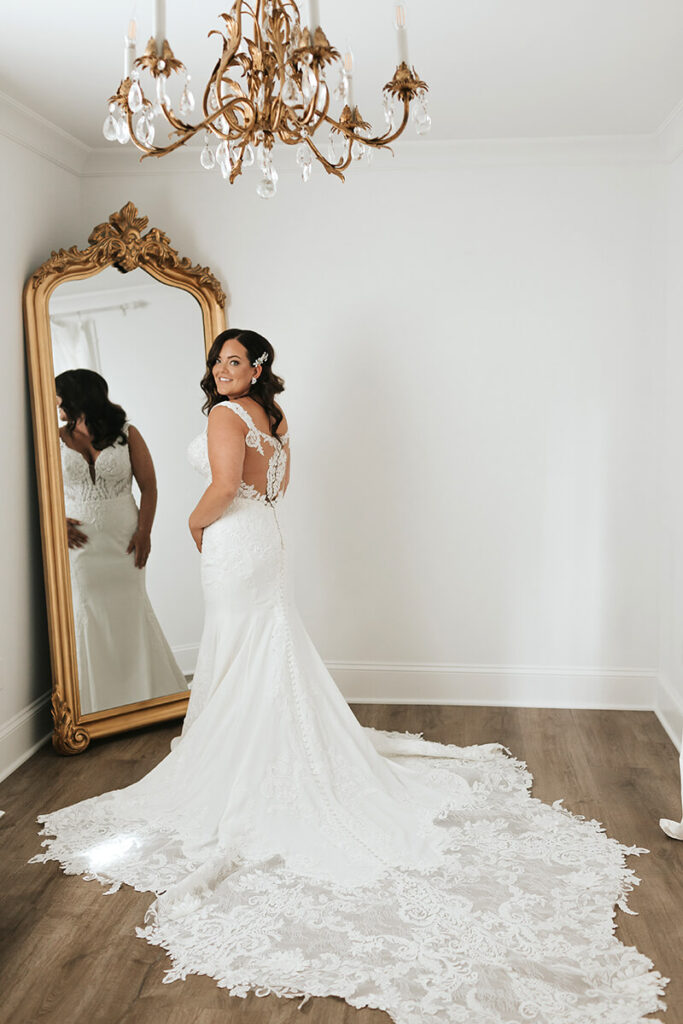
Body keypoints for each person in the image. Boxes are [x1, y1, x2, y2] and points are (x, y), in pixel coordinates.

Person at [32, 333, 667, 1023]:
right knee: (263, 646)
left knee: (241, 649)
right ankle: (271, 740)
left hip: (235, 541)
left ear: (258, 367)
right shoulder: (272, 419)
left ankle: (248, 752)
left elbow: (220, 488)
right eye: (218, 360)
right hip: (267, 539)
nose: (221, 369)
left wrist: (191, 520)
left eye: (234, 360)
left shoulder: (223, 414)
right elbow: (275, 486)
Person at [56, 369, 186, 714]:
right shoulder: (51, 438)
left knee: (131, 608)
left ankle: (147, 694)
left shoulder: (127, 434)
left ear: (77, 396)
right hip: (79, 546)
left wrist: (145, 532)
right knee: (88, 610)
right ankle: (97, 704)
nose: (55, 404)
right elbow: (37, 491)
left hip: (125, 538)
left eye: (59, 396)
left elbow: (150, 486)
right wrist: (55, 522)